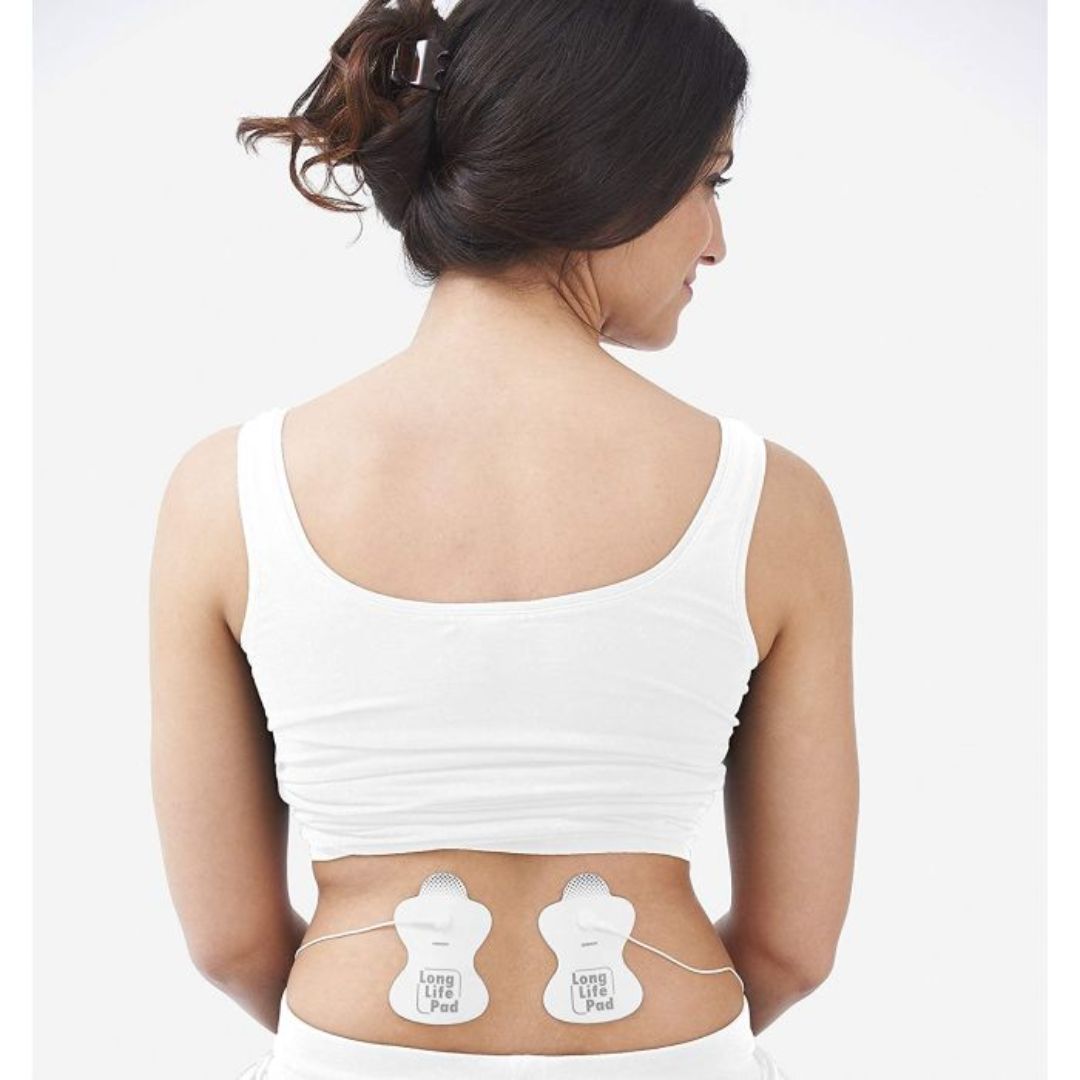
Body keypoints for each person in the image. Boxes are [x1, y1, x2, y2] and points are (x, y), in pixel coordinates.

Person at [148, 1, 857, 1077]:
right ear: (611, 168)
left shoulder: (224, 494)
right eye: (710, 182)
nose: (717, 241)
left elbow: (230, 943)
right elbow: (794, 949)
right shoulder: (774, 502)